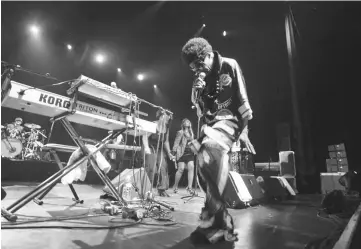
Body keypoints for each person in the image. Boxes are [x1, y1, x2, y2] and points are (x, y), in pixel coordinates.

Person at [181, 37, 256, 244]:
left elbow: (242, 97)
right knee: (203, 163)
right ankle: (220, 219)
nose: (196, 70)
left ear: (207, 55)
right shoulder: (200, 78)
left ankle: (216, 220)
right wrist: (197, 90)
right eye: (192, 68)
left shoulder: (229, 65)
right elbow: (199, 108)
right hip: (211, 125)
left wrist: (245, 131)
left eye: (197, 65)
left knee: (211, 150)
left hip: (230, 120)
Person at [142, 110, 175, 197]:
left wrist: (169, 153)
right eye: (166, 116)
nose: (168, 118)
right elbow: (145, 136)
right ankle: (146, 189)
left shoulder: (166, 128)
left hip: (159, 149)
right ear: (161, 117)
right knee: (151, 168)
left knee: (163, 166)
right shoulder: (153, 125)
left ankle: (162, 189)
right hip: (150, 147)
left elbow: (166, 142)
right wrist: (146, 147)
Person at [172, 118, 195, 194]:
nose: (187, 122)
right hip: (182, 153)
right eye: (185, 121)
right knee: (181, 169)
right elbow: (176, 143)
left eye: (188, 121)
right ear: (183, 124)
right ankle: (175, 186)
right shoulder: (180, 132)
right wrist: (174, 153)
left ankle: (189, 187)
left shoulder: (191, 133)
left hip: (190, 153)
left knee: (191, 167)